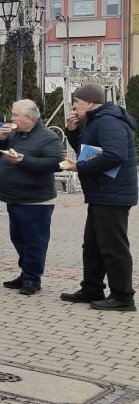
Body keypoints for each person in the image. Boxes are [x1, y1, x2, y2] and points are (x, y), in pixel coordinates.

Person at [60, 84, 137, 311]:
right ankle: (91, 288)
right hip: (101, 193)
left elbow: (115, 155)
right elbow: (89, 150)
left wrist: (80, 167)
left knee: (113, 247)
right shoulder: (96, 120)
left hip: (112, 194)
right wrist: (73, 131)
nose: (73, 106)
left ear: (91, 102)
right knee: (92, 245)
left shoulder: (109, 121)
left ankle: (123, 297)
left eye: (77, 102)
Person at [0, 100, 63, 296]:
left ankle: (33, 278)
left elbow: (56, 163)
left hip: (36, 199)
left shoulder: (48, 137)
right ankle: (26, 273)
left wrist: (24, 160)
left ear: (30, 118)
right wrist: (0, 138)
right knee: (18, 238)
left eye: (16, 115)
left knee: (34, 241)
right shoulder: (14, 133)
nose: (12, 118)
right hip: (14, 196)